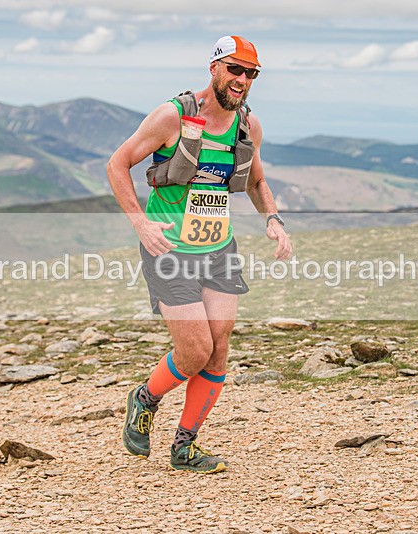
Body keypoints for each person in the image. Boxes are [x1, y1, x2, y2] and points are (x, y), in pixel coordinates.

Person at [108, 35, 292, 473]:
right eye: (235, 69)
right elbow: (118, 164)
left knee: (219, 348)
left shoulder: (248, 126)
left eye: (251, 73)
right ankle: (145, 398)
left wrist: (273, 219)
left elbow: (256, 180)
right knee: (193, 351)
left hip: (218, 248)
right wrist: (140, 222)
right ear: (214, 68)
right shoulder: (173, 116)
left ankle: (185, 445)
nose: (242, 80)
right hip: (169, 249)